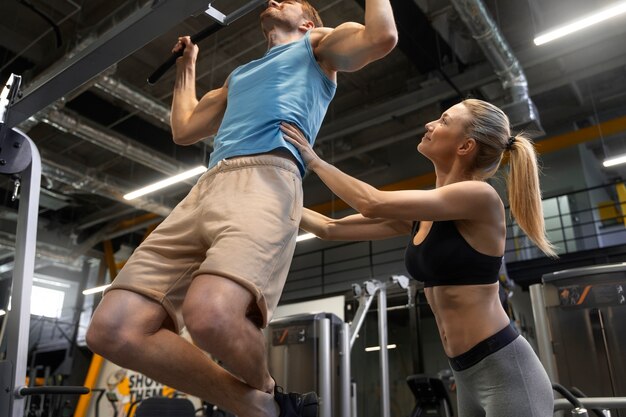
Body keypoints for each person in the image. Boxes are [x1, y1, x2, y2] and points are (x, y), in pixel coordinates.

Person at [86, 1, 397, 417]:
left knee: (211, 315)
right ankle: (264, 405)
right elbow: (184, 129)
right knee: (111, 330)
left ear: (307, 21)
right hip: (206, 187)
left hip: (267, 178)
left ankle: (267, 387)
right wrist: (187, 65)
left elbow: (381, 37)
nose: (273, 1)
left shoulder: (317, 45)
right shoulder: (239, 76)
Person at [281, 98, 557, 417]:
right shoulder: (423, 213)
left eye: (443, 120)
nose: (429, 124)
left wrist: (313, 160)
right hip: (465, 372)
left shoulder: (479, 196)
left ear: (465, 145)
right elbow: (329, 228)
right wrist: (272, 195)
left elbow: (371, 202)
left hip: (506, 372)